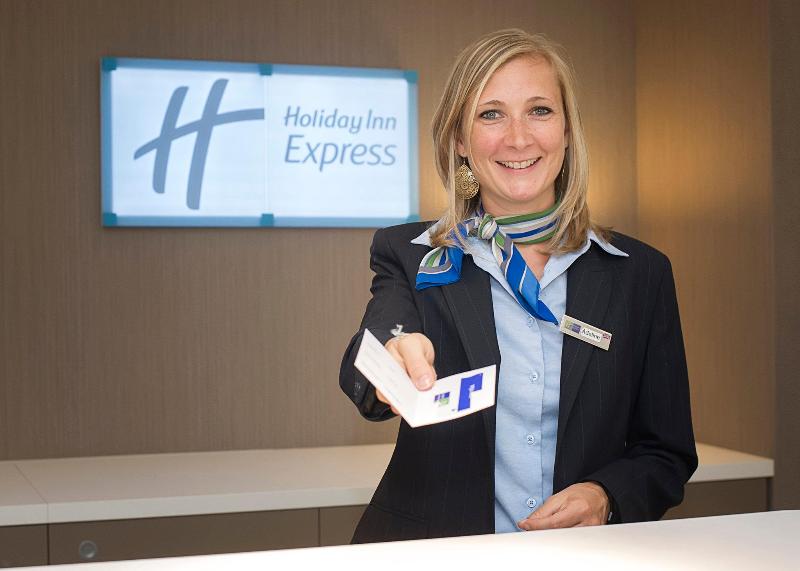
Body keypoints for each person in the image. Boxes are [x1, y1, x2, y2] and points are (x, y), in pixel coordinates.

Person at [340, 28, 697, 543]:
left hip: (583, 555)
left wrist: (605, 496)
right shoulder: (412, 253)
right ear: (459, 140)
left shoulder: (640, 274)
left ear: (568, 131)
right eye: (491, 114)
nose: (519, 138)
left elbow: (666, 452)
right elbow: (376, 342)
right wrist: (391, 360)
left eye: (539, 111)